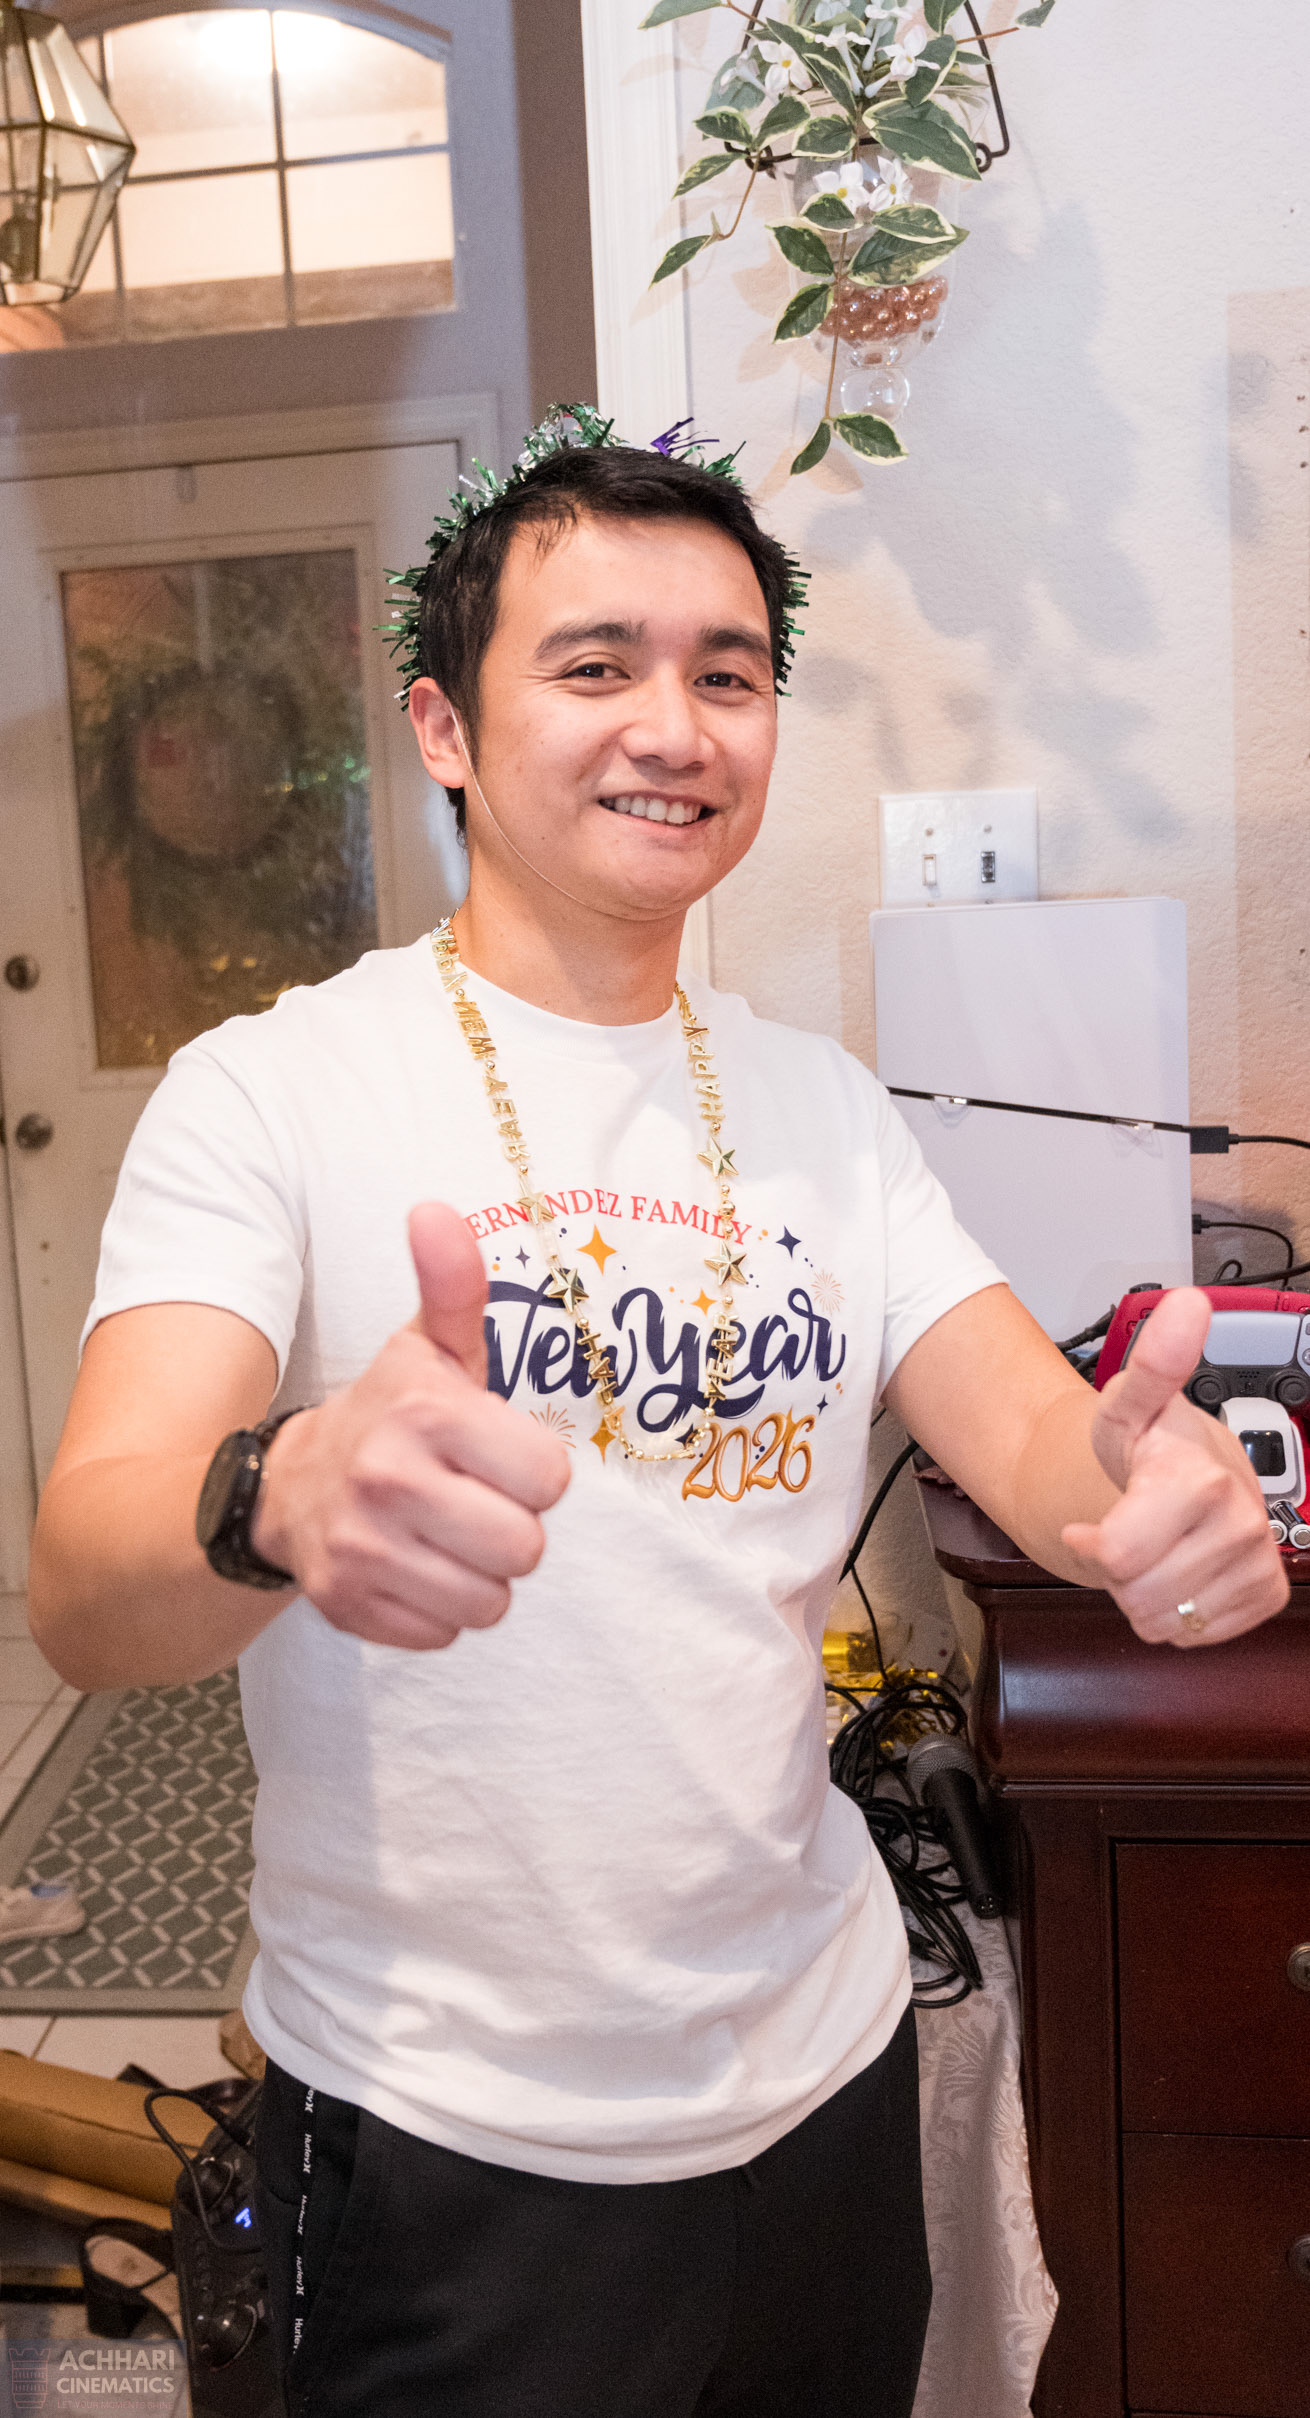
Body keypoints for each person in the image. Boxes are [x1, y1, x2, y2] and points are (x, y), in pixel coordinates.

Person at [29, 410, 1286, 2418]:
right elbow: (89, 1586)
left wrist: (1144, 1491)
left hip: (821, 2078)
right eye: (595, 664)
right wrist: (275, 1490)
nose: (673, 728)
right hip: (447, 2132)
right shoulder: (273, 1090)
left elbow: (1032, 1434)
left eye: (728, 674)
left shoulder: (822, 1107)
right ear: (444, 728)